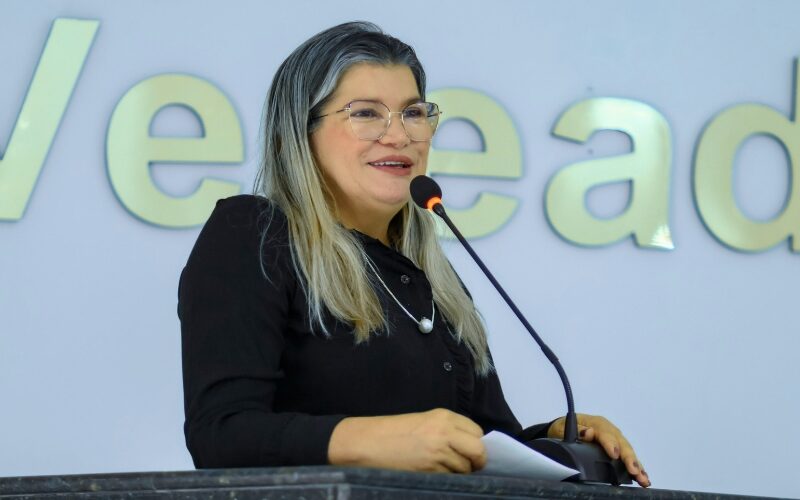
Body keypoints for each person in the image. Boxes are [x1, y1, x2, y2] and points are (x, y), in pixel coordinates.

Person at [178, 21, 650, 487]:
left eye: (413, 113)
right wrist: (379, 440)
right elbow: (221, 434)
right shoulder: (254, 234)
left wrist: (557, 440)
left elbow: (481, 447)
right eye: (366, 113)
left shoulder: (431, 280)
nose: (399, 136)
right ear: (299, 133)